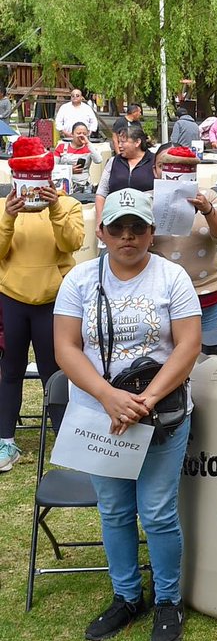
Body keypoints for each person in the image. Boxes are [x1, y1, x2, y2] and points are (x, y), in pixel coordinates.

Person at [53, 188, 201, 641]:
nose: (127, 236)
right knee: (115, 510)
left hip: (161, 416)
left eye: (137, 227)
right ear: (101, 232)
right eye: (117, 228)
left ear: (152, 232)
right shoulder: (79, 279)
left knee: (156, 512)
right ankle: (126, 595)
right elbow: (66, 348)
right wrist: (108, 397)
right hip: (101, 417)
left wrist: (145, 400)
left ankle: (168, 600)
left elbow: (188, 345)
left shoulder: (172, 278)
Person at [0, 180, 83, 471]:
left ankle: (65, 438)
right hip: (11, 297)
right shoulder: (4, 206)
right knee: (10, 370)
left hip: (55, 300)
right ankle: (5, 441)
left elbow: (72, 243)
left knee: (57, 372)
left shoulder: (69, 203)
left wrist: (55, 207)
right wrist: (8, 217)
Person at [149, 148, 217, 332]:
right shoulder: (146, 199)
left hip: (204, 292)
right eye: (164, 166)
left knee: (204, 353)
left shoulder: (207, 196)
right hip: (159, 295)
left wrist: (207, 209)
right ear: (155, 169)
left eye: (182, 167)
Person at [94, 124, 154, 223]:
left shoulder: (154, 162)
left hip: (144, 220)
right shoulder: (113, 162)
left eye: (123, 142)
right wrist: (100, 222)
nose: (119, 146)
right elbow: (101, 193)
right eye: (119, 142)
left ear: (137, 142)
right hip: (114, 219)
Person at [54, 121, 103, 194]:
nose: (81, 136)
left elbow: (98, 160)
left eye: (84, 134)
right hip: (63, 185)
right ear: (72, 134)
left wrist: (88, 143)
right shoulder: (61, 147)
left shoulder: (89, 148)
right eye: (78, 133)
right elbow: (53, 167)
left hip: (83, 185)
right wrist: (70, 170)